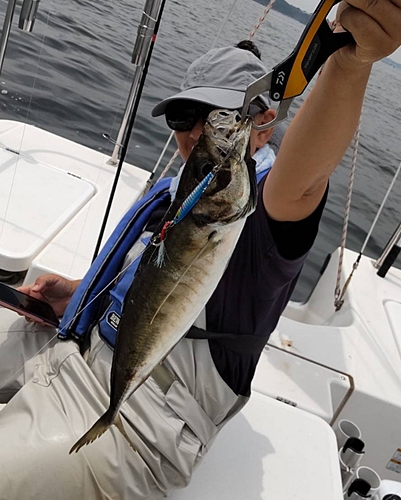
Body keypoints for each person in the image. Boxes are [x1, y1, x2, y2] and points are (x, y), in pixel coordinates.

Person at [0, 1, 399, 498]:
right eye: (185, 115)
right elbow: (152, 282)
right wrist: (79, 292)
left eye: (218, 118)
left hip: (133, 425)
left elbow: (301, 184)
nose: (196, 133)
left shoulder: (252, 218)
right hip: (72, 348)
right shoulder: (179, 195)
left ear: (264, 122)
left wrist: (349, 64)